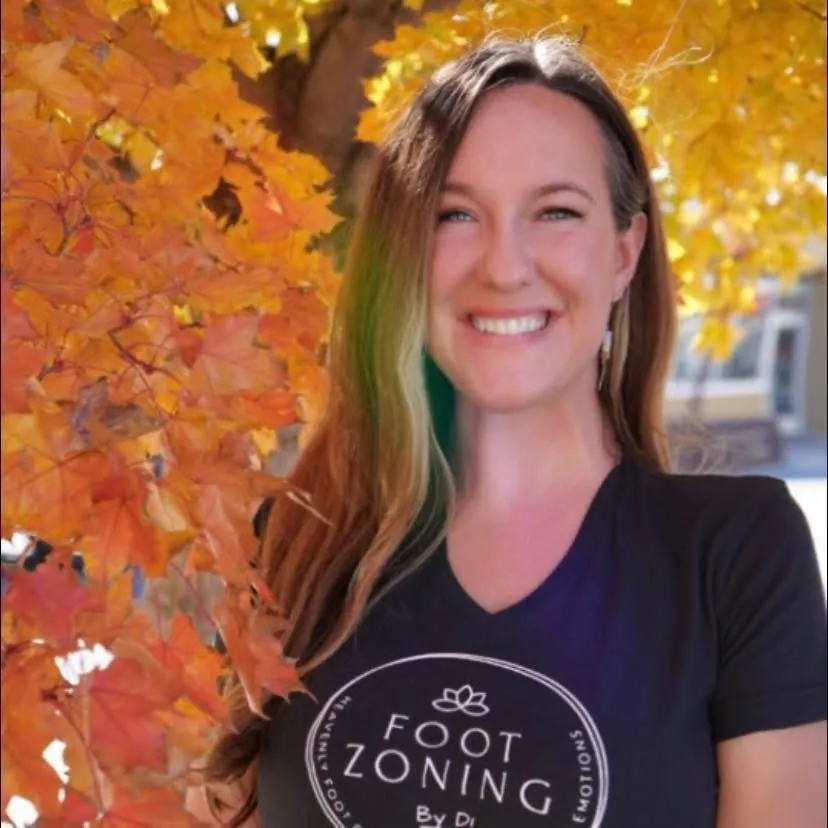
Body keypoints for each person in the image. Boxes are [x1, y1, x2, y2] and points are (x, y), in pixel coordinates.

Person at [188, 35, 827, 827]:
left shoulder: (734, 557)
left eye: (556, 212)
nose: (504, 266)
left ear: (624, 253)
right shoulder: (294, 543)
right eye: (455, 214)